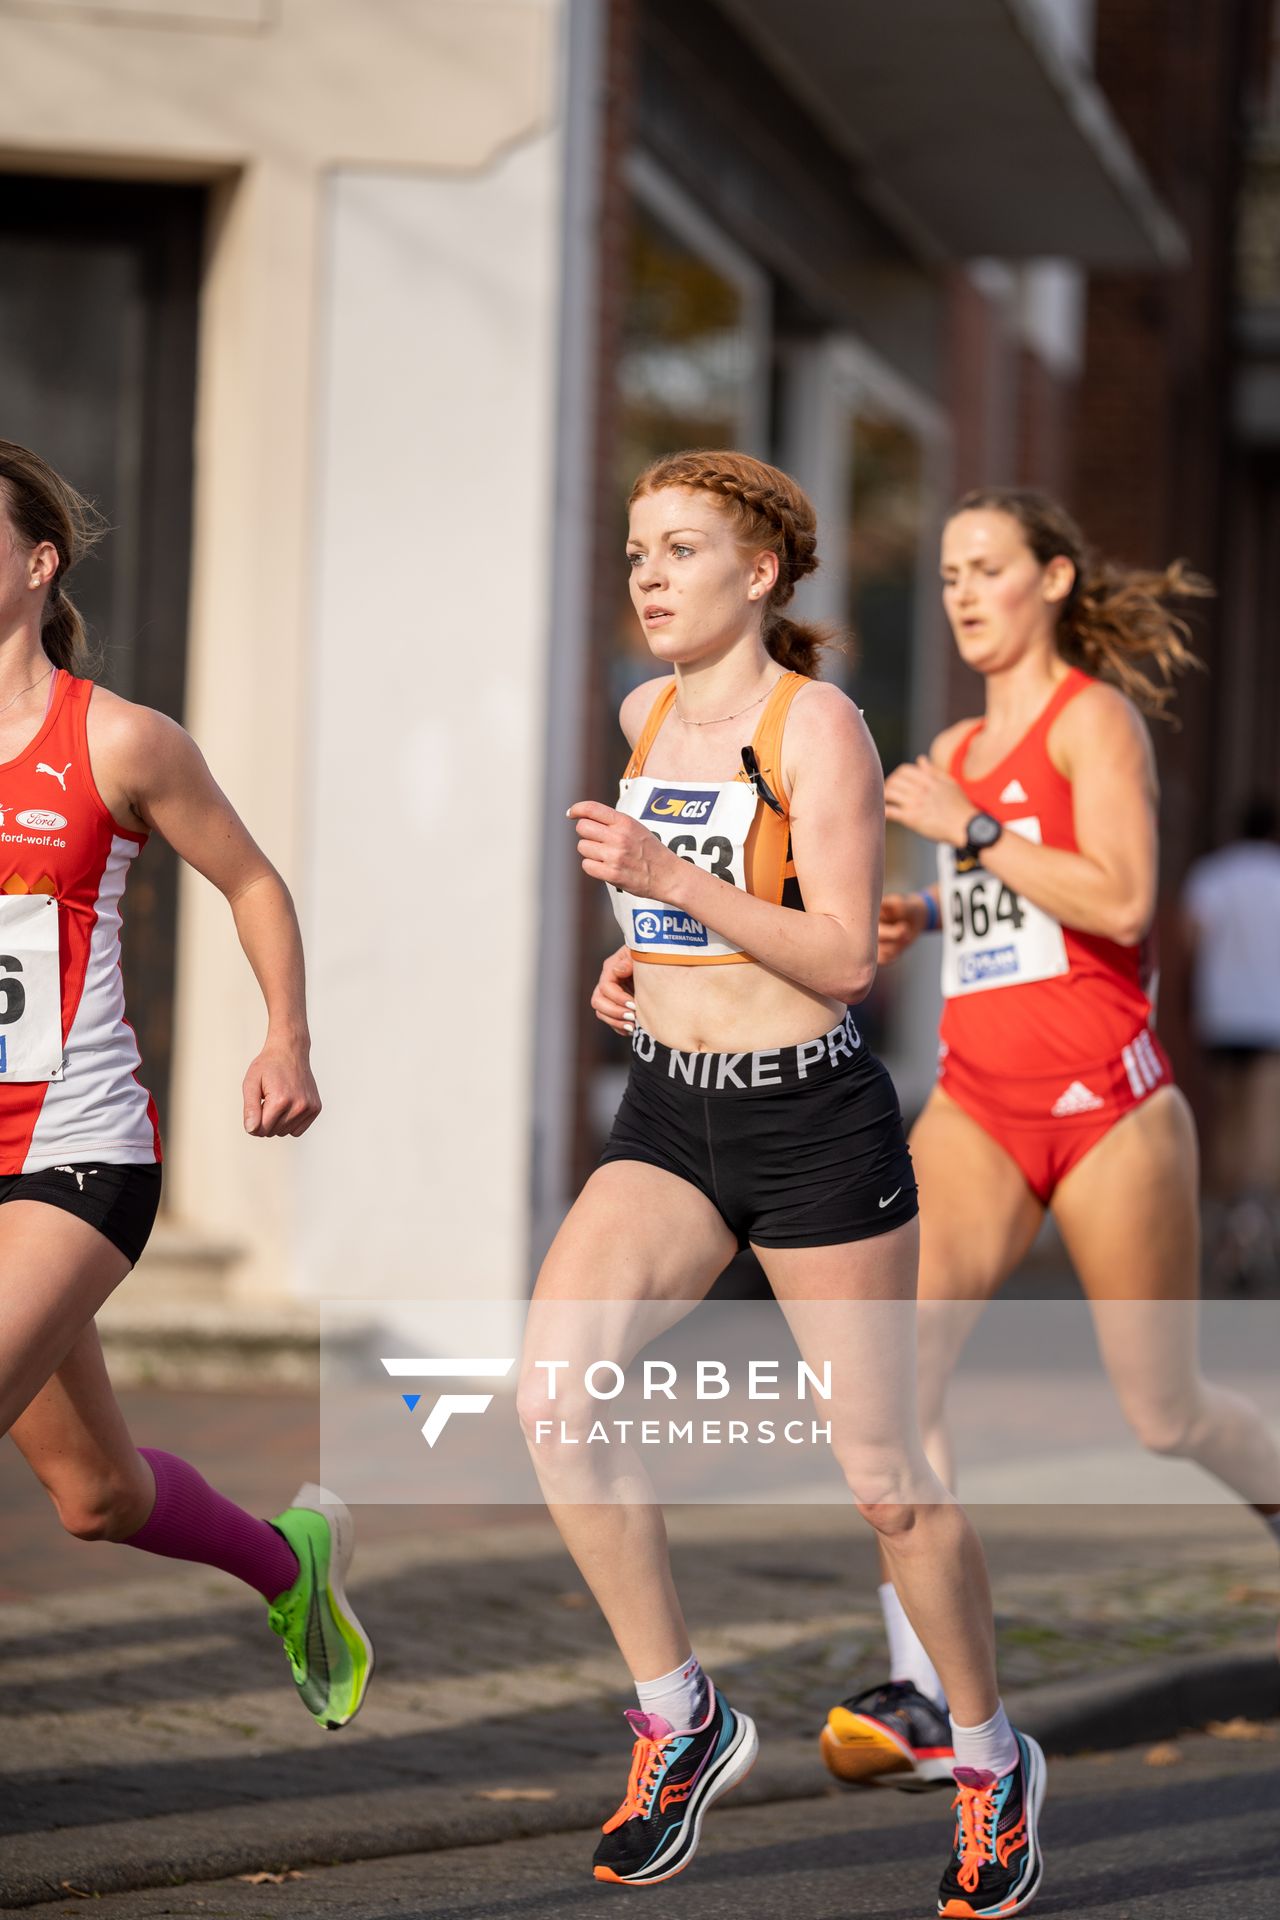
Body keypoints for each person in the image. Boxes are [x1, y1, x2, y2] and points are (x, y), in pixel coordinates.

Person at [537, 449, 1046, 1917]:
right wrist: (636, 959)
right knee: (554, 1404)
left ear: (757, 575)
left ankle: (991, 1754)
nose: (647, 574)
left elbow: (837, 957)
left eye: (680, 550)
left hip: (812, 1125)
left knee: (885, 1485)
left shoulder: (814, 723)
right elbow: (693, 923)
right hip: (673, 1121)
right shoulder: (644, 715)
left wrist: (671, 883)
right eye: (638, 549)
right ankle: (679, 1718)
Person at [808, 487, 1279, 1786]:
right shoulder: (955, 746)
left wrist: (969, 835)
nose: (961, 593)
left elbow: (1121, 898)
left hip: (1111, 1109)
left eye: (987, 569)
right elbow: (1014, 906)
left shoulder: (1094, 724)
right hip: (977, 1102)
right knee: (894, 1378)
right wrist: (926, 909)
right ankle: (929, 1699)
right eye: (948, 572)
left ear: (1055, 580)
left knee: (1165, 1413)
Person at [0, 440, 371, 1732]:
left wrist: (288, 1036)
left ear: (37, 564)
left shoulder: (119, 741)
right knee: (95, 1499)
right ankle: (291, 1564)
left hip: (74, 1153)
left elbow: (255, 880)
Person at [1182, 795, 1280, 1288]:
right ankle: (1254, 1224)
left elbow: (1191, 939)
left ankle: (1226, 1224)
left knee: (1226, 1125)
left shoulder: (1212, 876)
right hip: (1271, 1021)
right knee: (1264, 1128)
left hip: (1223, 1018)